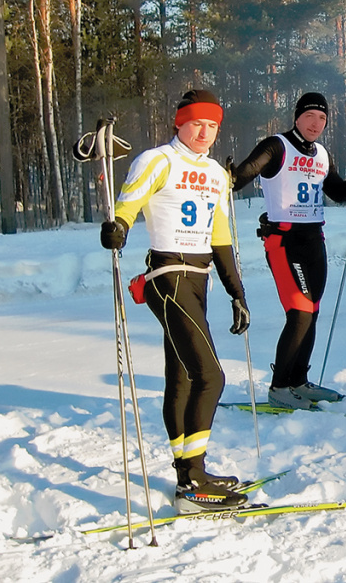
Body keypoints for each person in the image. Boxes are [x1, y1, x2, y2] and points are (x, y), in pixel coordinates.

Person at [100, 89, 251, 512]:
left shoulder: (217, 175)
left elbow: (221, 237)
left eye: (212, 126)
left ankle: (188, 473)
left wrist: (236, 292)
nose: (204, 133)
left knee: (184, 376)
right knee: (212, 376)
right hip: (169, 273)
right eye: (197, 123)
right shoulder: (158, 160)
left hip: (199, 277)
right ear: (178, 123)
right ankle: (195, 478)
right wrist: (118, 226)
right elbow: (127, 202)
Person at [230, 92, 346, 411]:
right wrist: (229, 177)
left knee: (311, 312)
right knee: (299, 312)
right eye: (310, 116)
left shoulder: (322, 155)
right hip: (284, 242)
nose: (316, 124)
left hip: (315, 240)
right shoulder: (276, 145)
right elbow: (244, 174)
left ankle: (299, 381)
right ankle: (280, 387)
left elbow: (339, 193)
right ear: (297, 117)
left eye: (323, 118)